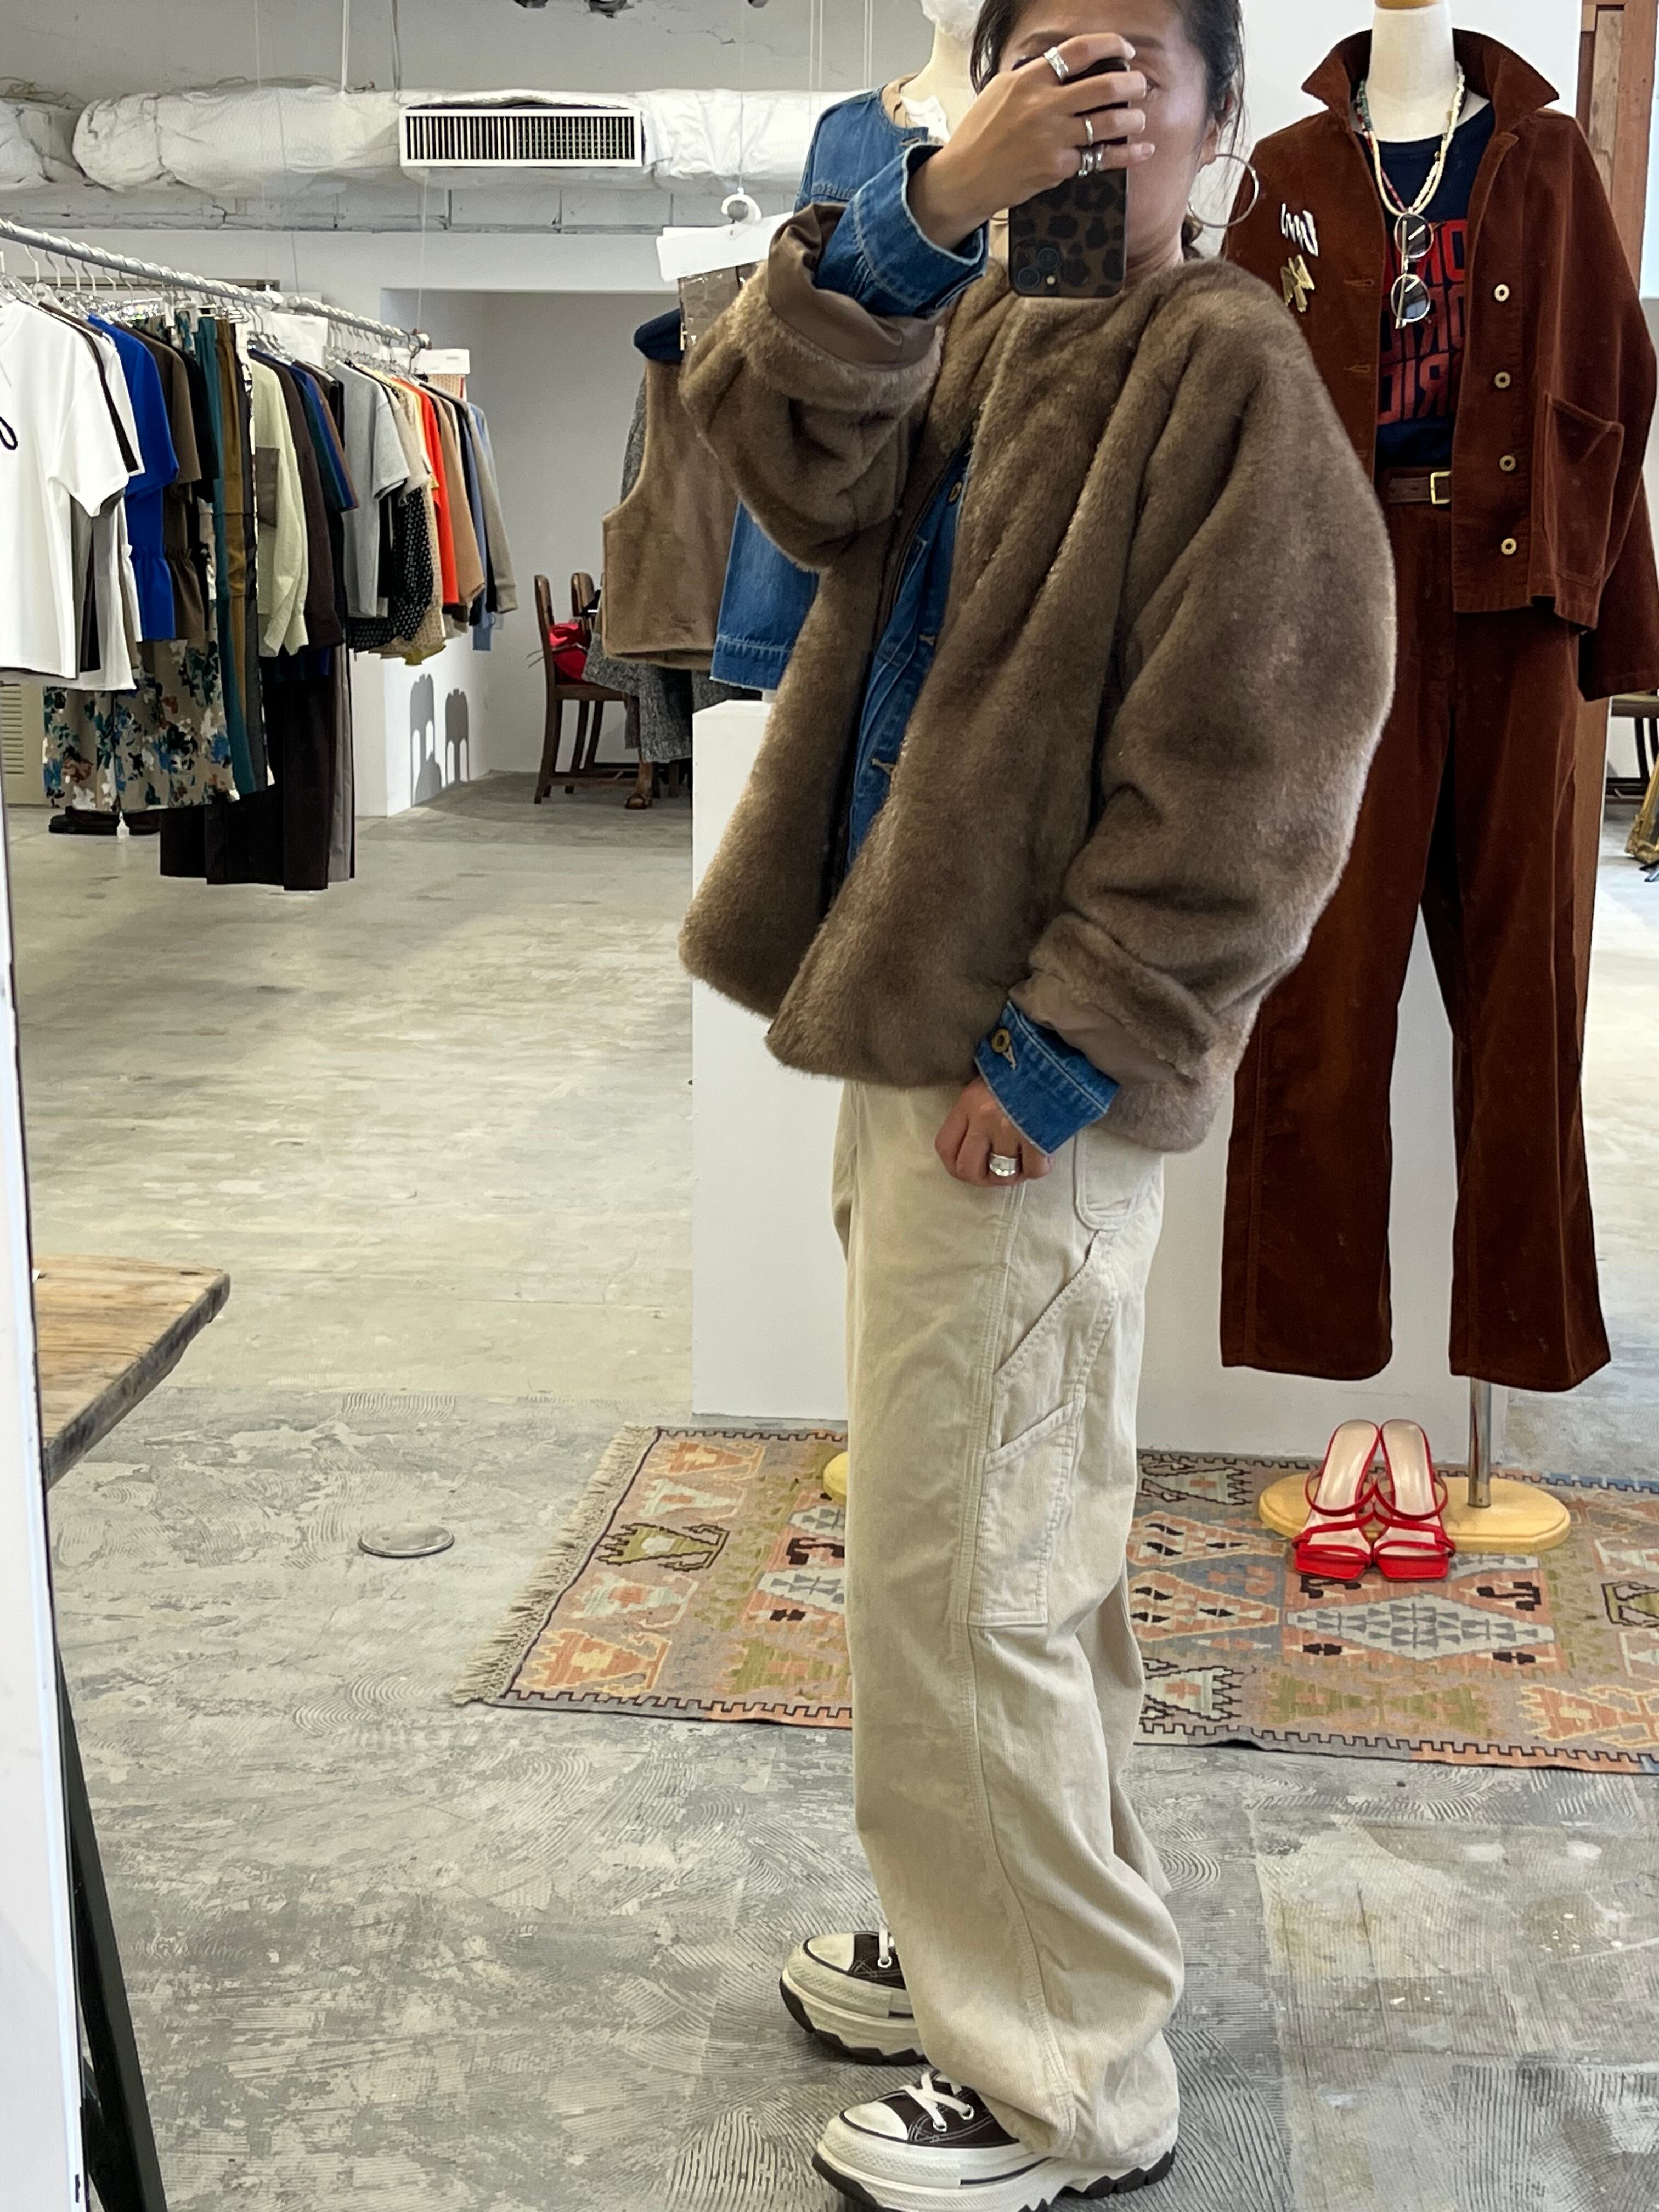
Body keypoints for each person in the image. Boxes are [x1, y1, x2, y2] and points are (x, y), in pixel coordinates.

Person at [679, 4, 1397, 2206]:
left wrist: (1069, 1043)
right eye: (1044, 68)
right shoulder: (984, 319)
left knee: (968, 1568)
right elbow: (785, 462)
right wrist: (918, 222)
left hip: (1014, 1074)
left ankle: (1062, 2073)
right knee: (1007, 1545)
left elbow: (1267, 771)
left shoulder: (1225, 364)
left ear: (1223, 114)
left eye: (1130, 69)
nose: (1090, 111)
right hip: (914, 1033)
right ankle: (984, 1932)